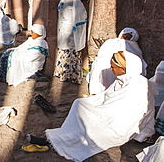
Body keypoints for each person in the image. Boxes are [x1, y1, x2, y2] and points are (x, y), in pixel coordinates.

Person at [27, 51, 155, 161]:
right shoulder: (123, 79)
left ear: (124, 68)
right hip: (111, 115)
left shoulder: (138, 87)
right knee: (79, 104)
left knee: (89, 122)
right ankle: (60, 138)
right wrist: (94, 105)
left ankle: (57, 142)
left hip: (119, 126)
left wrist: (97, 112)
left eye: (114, 67)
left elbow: (125, 115)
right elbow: (106, 98)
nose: (111, 69)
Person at [87, 27, 148, 95]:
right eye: (123, 36)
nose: (124, 39)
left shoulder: (133, 45)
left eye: (127, 37)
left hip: (120, 66)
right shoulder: (112, 42)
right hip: (110, 64)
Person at [54, 0, 87, 84]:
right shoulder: (76, 1)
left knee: (64, 52)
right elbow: (80, 14)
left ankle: (62, 73)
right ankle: (72, 75)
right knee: (73, 52)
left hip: (64, 28)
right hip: (73, 30)